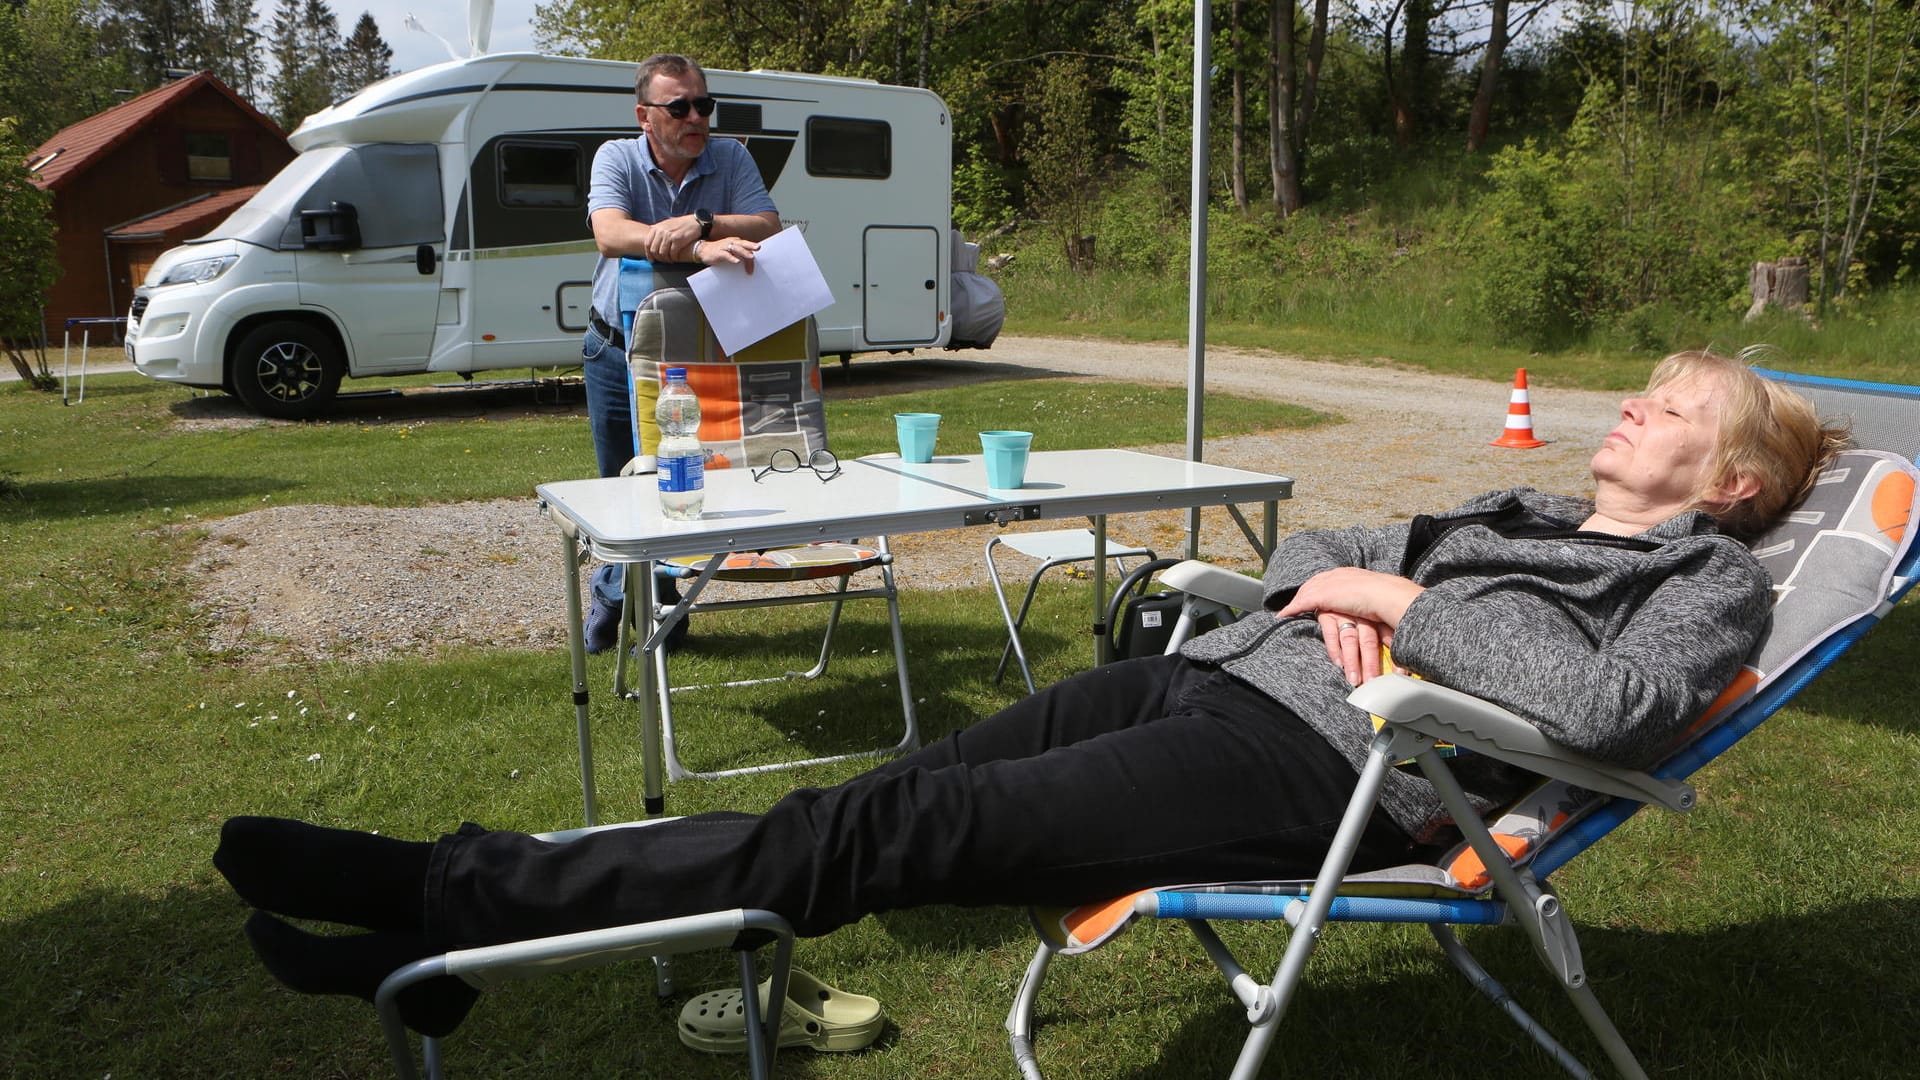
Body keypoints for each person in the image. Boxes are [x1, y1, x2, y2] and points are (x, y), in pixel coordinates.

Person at [215, 351, 1846, 1039]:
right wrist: (1336, 586)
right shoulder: (1537, 516)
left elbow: (1615, 707)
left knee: (904, 828)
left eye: (1669, 408)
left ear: (1739, 480)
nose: (1627, 410)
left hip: (1326, 773)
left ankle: (447, 896)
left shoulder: (1702, 584)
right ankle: (460, 941)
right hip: (1217, 679)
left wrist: (1397, 609)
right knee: (876, 802)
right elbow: (1340, 540)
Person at [581, 53, 782, 653]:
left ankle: (668, 611)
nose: (696, 117)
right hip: (616, 350)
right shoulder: (616, 156)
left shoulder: (731, 156)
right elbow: (610, 232)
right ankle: (614, 596)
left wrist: (699, 222)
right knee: (621, 488)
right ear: (645, 116)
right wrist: (689, 249)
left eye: (704, 105)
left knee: (681, 484)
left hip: (694, 357)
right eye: (680, 107)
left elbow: (768, 224)